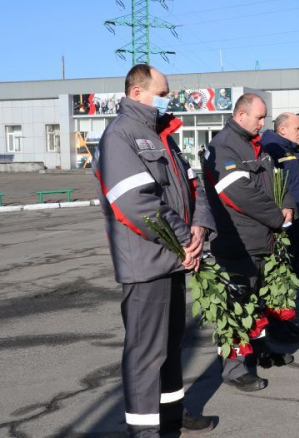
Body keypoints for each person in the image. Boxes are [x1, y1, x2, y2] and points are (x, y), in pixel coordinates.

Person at [92, 64, 215, 437]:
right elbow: (135, 203)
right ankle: (145, 431)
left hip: (174, 258)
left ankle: (173, 415)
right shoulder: (121, 136)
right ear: (137, 94)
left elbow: (196, 188)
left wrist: (200, 228)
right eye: (162, 92)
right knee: (146, 355)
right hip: (146, 264)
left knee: (171, 346)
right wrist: (184, 241)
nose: (168, 98)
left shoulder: (162, 135)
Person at [203, 93, 296, 392]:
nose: (263, 122)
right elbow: (238, 192)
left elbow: (278, 179)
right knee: (235, 308)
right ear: (241, 115)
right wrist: (275, 217)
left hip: (260, 239)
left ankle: (261, 351)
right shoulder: (224, 146)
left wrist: (288, 205)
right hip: (237, 241)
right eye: (259, 117)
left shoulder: (256, 145)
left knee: (256, 303)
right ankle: (234, 368)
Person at [259, 112, 299, 335]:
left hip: (298, 224)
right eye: (297, 128)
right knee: (280, 277)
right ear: (282, 130)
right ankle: (277, 326)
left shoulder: (295, 150)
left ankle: (288, 320)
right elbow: (276, 189)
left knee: (293, 276)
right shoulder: (273, 150)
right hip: (283, 226)